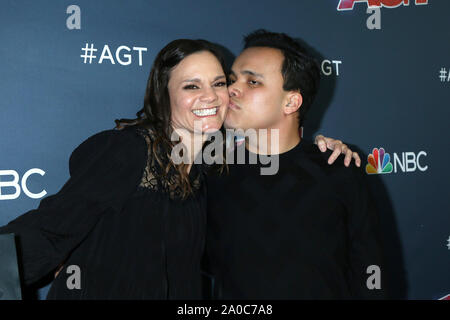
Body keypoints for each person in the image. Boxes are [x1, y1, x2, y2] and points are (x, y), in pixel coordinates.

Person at [0, 37, 357, 300]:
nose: (210, 96)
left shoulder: (210, 169)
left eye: (219, 83)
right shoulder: (128, 152)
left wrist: (318, 152)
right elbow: (48, 230)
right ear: (164, 95)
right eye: (191, 86)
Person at [203, 30, 386, 299]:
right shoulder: (210, 174)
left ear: (291, 101)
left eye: (252, 82)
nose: (232, 90)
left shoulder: (338, 168)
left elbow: (370, 271)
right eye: (232, 79)